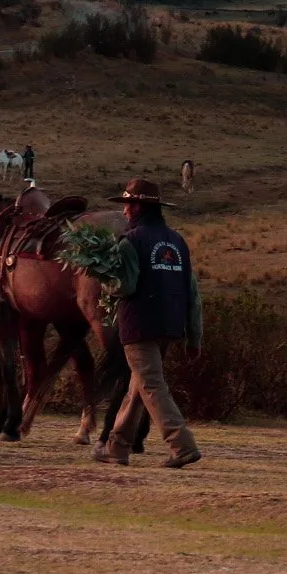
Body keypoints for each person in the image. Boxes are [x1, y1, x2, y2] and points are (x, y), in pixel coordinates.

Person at [94, 177, 203, 469]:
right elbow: (192, 292)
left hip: (140, 324)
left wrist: (104, 277)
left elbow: (125, 287)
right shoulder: (177, 242)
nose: (125, 211)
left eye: (128, 204)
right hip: (170, 325)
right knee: (138, 386)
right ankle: (117, 447)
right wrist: (195, 337)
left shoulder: (131, 241)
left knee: (151, 385)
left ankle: (182, 445)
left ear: (139, 206)